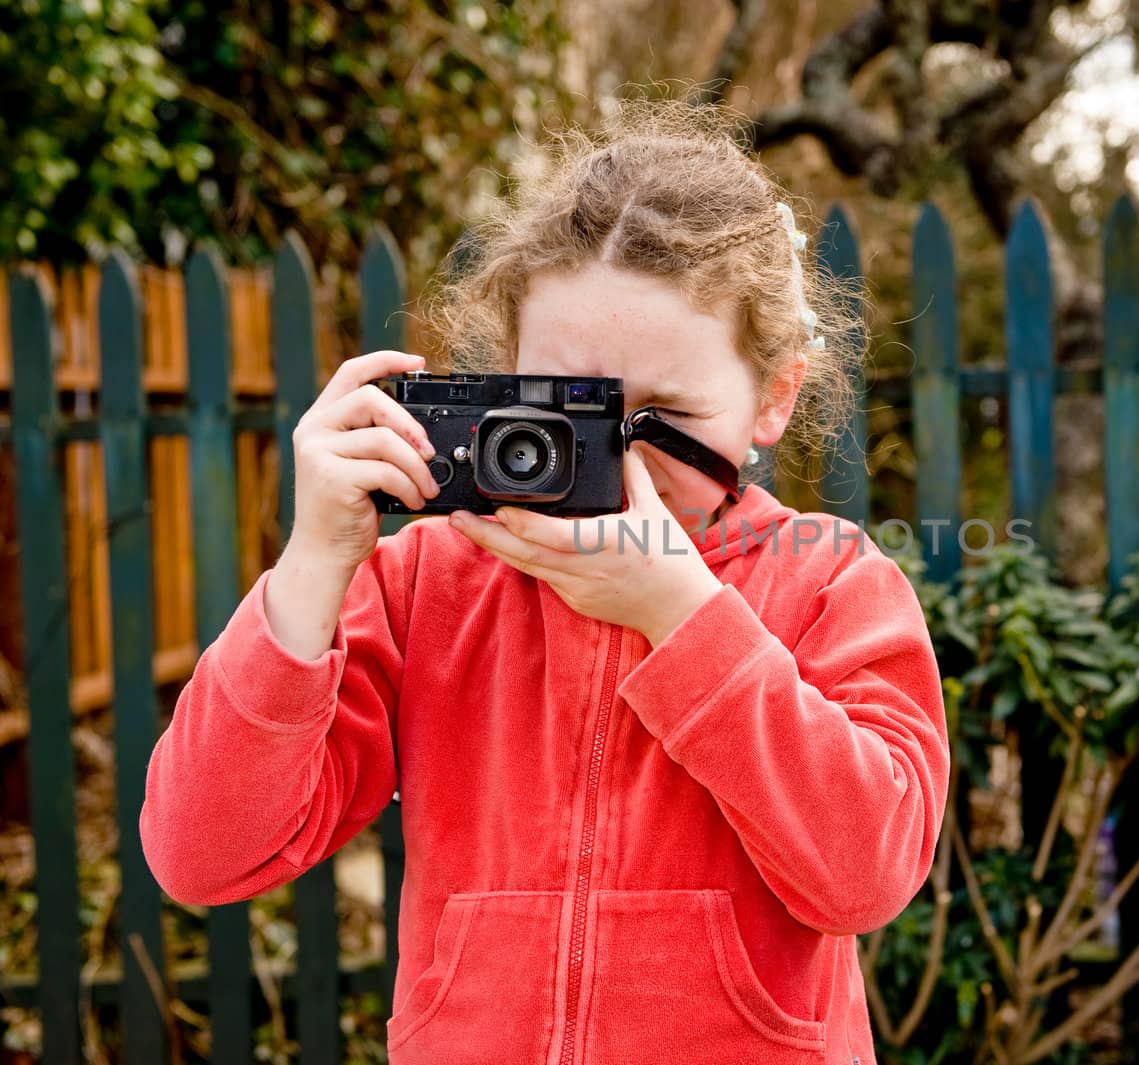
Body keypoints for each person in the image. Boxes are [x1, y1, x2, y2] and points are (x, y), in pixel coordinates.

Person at [141, 100, 950, 1065]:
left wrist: (681, 615)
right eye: (570, 407)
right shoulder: (428, 584)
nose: (617, 458)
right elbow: (203, 851)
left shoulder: (827, 583)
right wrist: (313, 562)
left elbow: (864, 875)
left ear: (774, 396)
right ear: (508, 375)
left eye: (662, 416)